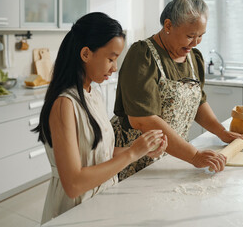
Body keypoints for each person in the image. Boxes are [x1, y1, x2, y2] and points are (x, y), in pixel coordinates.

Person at [32, 12, 167, 224]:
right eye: (111, 59)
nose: (114, 68)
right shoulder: (64, 104)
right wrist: (131, 153)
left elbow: (98, 153)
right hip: (74, 210)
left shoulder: (93, 93)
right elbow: (73, 184)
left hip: (102, 200)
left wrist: (143, 151)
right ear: (86, 54)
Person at [112, 0, 243, 181]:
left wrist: (222, 133)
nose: (196, 42)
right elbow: (143, 119)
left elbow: (197, 103)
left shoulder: (192, 57)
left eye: (201, 35)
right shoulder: (142, 55)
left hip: (173, 154)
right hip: (134, 157)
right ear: (168, 25)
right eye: (190, 35)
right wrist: (193, 155)